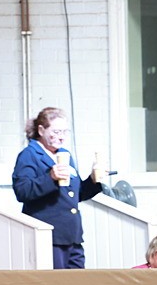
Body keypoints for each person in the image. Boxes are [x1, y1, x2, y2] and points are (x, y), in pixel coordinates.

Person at [12, 107, 104, 269]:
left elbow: (76, 194)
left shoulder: (64, 154)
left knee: (79, 281)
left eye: (65, 132)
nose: (61, 137)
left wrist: (93, 180)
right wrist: (50, 178)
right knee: (56, 282)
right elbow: (22, 191)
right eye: (56, 132)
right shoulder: (29, 155)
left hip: (72, 236)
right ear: (41, 130)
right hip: (49, 235)